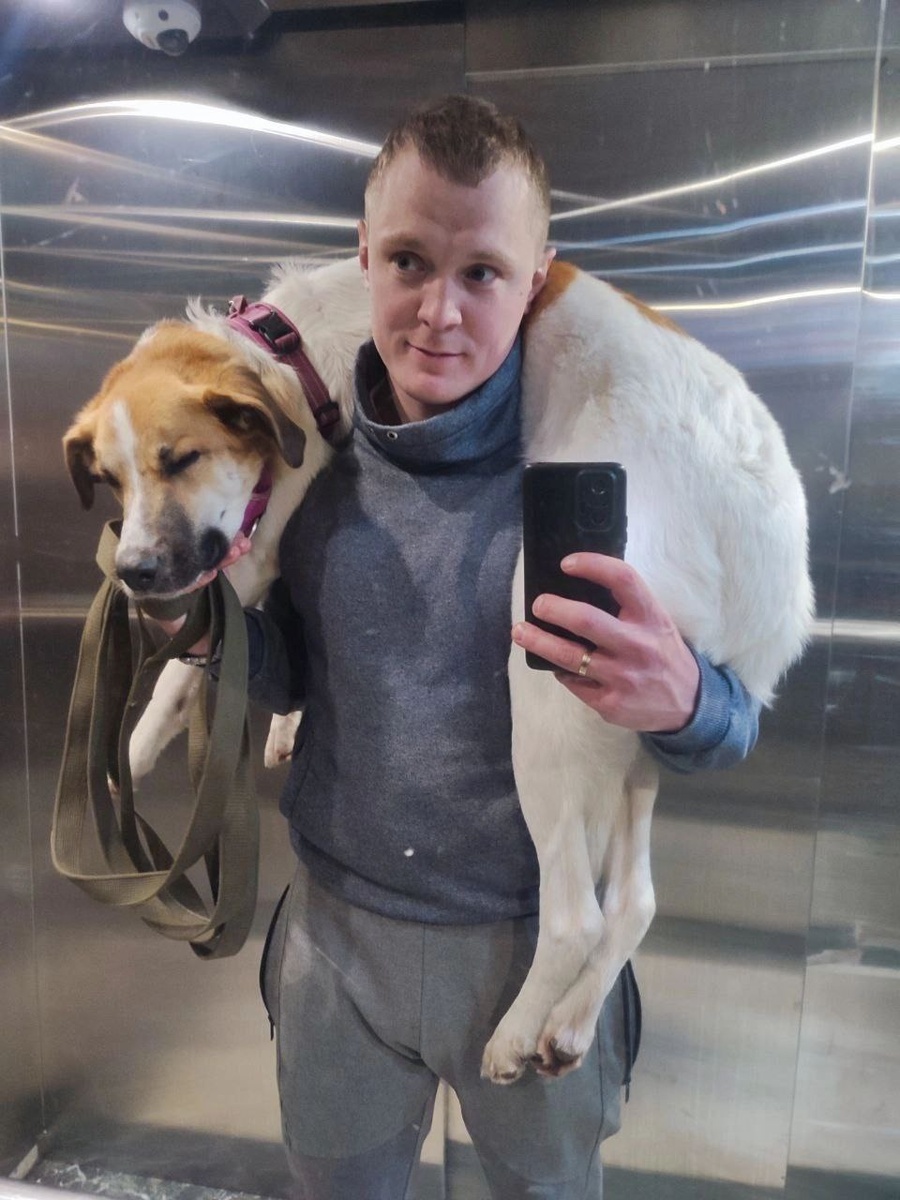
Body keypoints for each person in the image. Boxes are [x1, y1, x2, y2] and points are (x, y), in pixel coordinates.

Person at [188, 95, 760, 1199]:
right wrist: (196, 626)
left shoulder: (608, 466)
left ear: (537, 279)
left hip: (535, 953)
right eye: (409, 261)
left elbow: (725, 730)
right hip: (334, 949)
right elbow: (290, 677)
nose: (439, 313)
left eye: (483, 273)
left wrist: (688, 701)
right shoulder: (302, 466)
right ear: (363, 255)